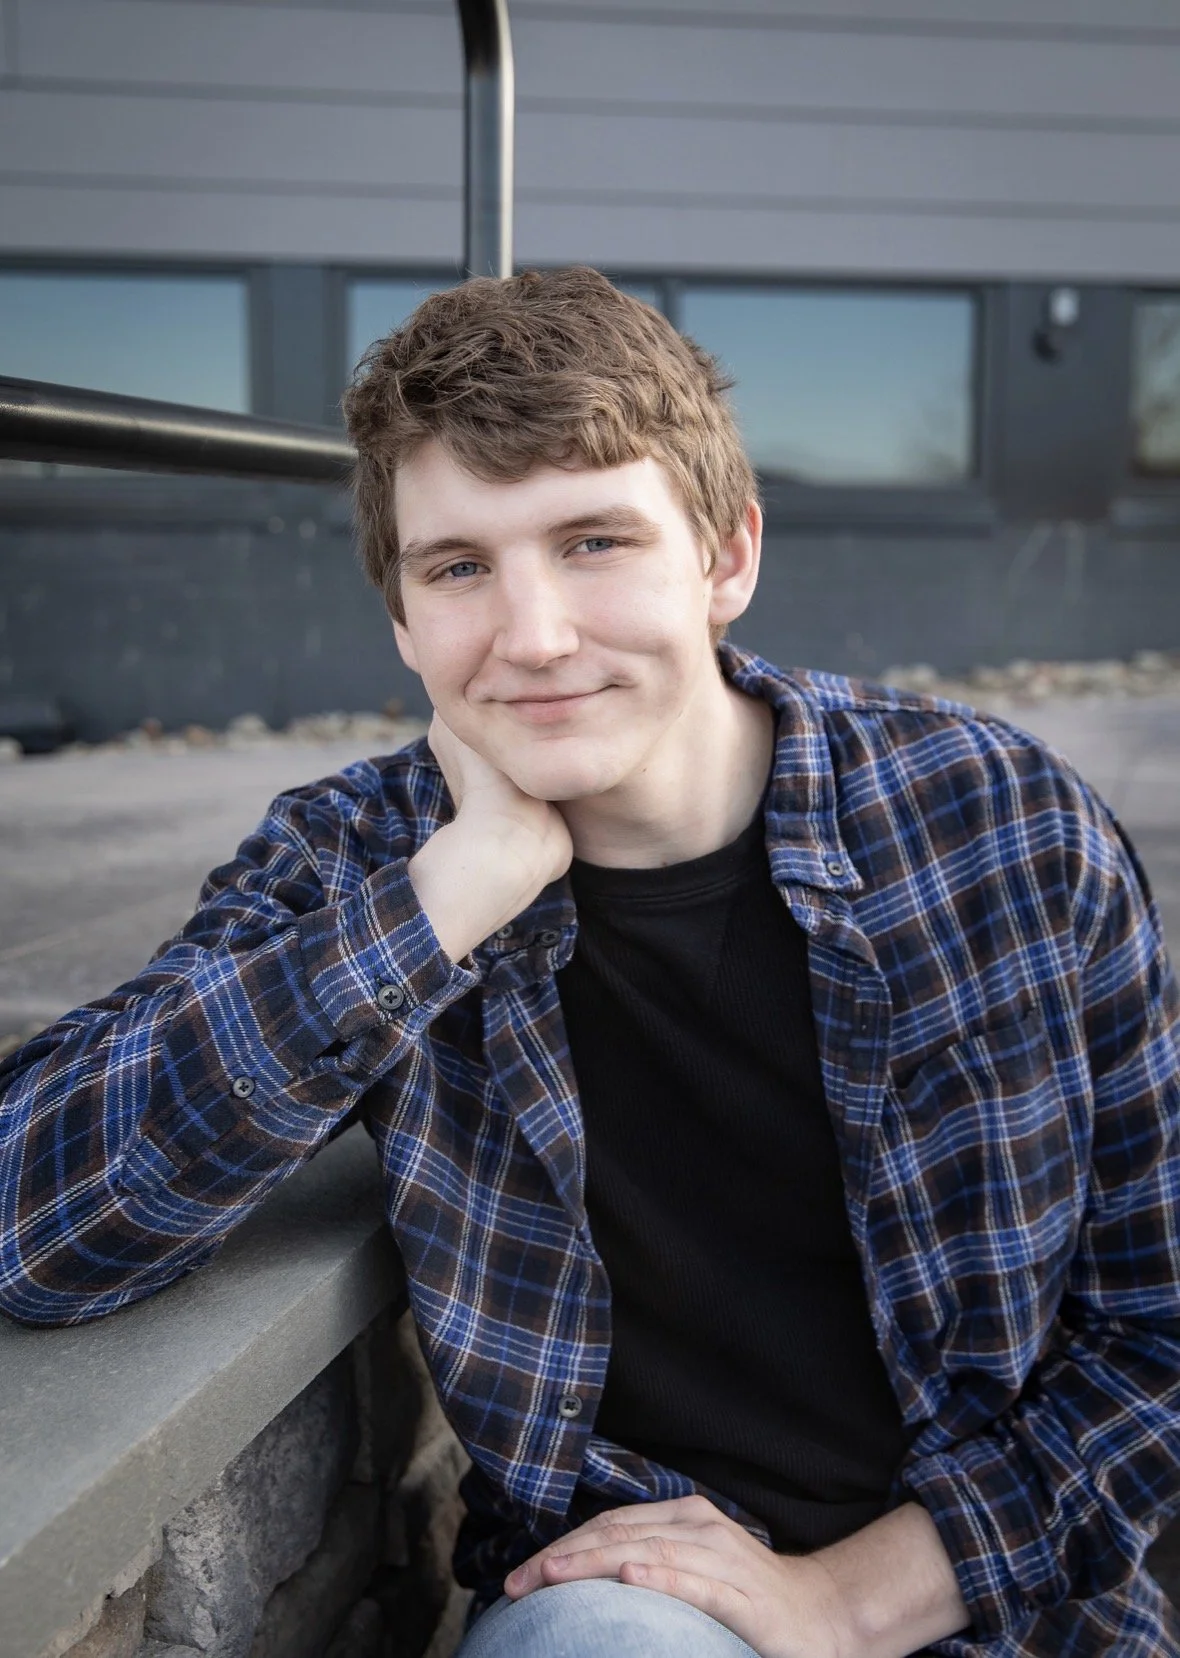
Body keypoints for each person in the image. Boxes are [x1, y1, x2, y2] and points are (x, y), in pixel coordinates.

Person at [1, 268, 1178, 1658]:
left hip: (999, 1600)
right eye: (458, 567)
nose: (534, 635)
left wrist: (859, 1597)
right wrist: (447, 897)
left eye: (595, 542)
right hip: (633, 1602)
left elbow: (1152, 1336)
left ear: (728, 558)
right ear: (400, 618)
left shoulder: (1000, 826)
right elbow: (31, 1210)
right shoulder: (365, 859)